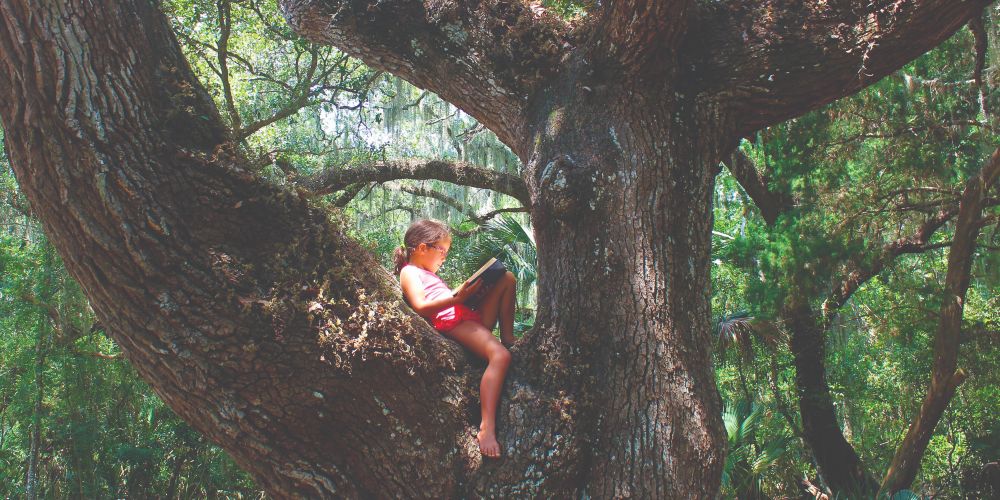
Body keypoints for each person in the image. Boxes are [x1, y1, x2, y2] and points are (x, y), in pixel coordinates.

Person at [393, 219, 517, 457]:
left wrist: (468, 296)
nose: (444, 257)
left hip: (466, 315)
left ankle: (509, 337)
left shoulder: (428, 273)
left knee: (507, 278)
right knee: (500, 356)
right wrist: (457, 298)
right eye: (442, 250)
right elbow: (420, 306)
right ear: (421, 248)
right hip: (453, 321)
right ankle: (486, 428)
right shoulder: (410, 271)